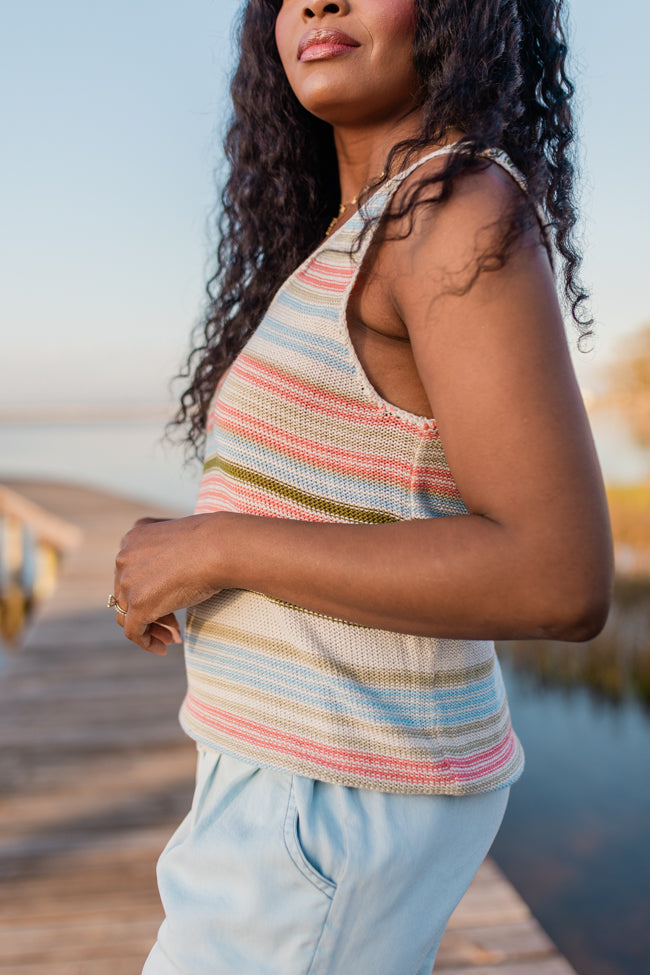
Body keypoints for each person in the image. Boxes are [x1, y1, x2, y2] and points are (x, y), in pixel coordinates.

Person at [111, 1, 613, 972]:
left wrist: (215, 548)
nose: (320, 2)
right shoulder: (360, 226)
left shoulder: (451, 209)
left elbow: (557, 578)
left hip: (327, 799)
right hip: (292, 786)